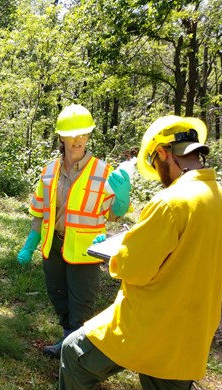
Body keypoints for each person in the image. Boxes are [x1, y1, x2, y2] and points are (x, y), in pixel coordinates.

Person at [32, 115, 222, 390]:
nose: (157, 172)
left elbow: (134, 267)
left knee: (74, 354)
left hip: (145, 323)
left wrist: (118, 253)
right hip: (192, 328)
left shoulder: (172, 201)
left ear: (164, 153)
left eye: (155, 163)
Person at [17, 104, 132, 358]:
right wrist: (29, 245)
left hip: (84, 249)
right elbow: (40, 212)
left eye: (83, 134)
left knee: (81, 302)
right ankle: (68, 340)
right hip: (53, 246)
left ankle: (75, 353)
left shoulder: (103, 171)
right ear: (61, 136)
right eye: (72, 134)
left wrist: (122, 198)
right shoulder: (48, 171)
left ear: (89, 135)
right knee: (58, 296)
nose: (78, 139)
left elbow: (114, 213)